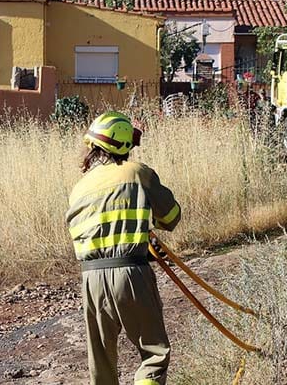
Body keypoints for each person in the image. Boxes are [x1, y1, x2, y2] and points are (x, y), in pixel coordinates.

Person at [66, 112, 182, 385]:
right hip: (131, 275)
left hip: (91, 279)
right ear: (123, 145)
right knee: (153, 355)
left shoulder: (79, 188)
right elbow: (171, 217)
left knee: (102, 365)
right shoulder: (138, 173)